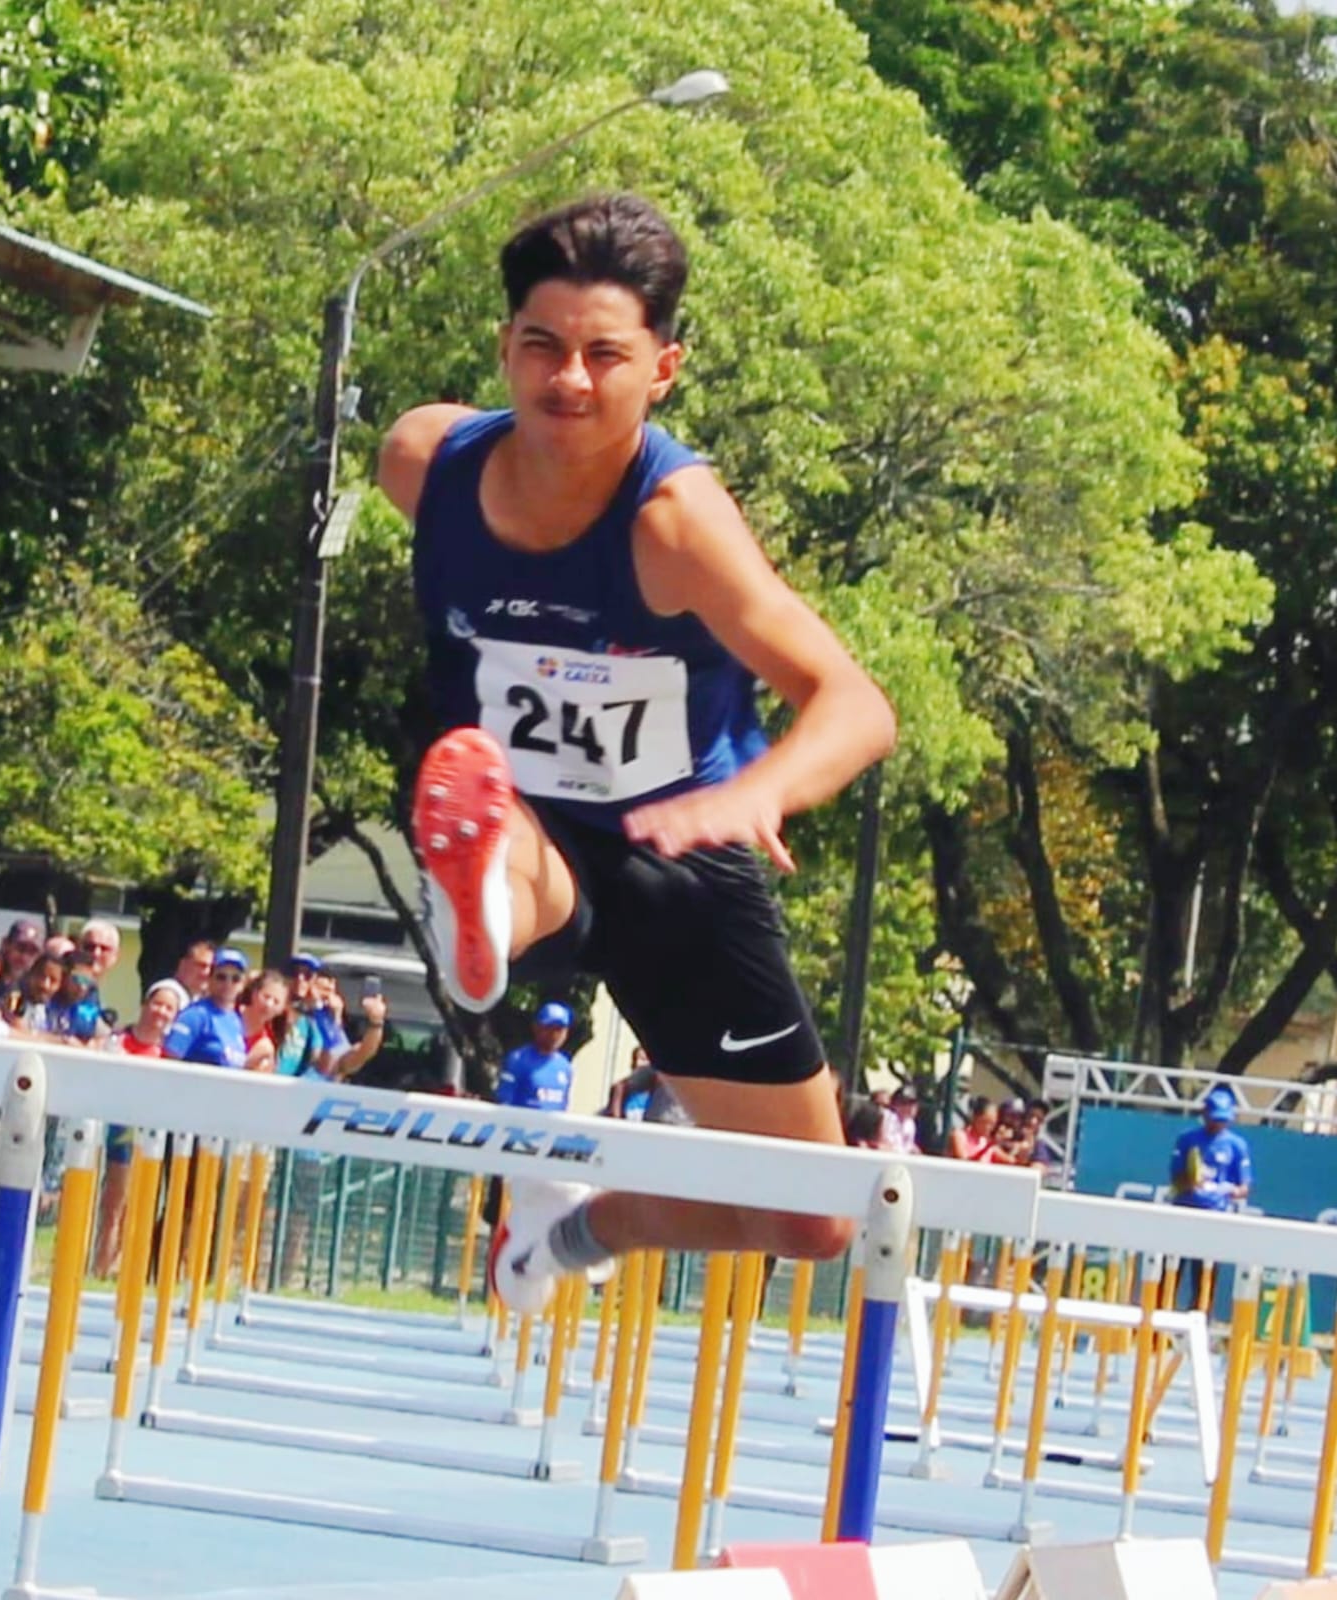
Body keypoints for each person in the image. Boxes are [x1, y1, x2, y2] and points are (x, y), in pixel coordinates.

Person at [379, 192, 897, 1312]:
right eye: (542, 348)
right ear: (505, 349)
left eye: (604, 355)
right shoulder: (425, 464)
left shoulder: (676, 528)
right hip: (513, 803)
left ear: (661, 367)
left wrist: (755, 793)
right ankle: (484, 908)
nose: (568, 380)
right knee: (497, 811)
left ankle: (581, 1225)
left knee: (813, 1216)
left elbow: (855, 704)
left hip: (675, 848)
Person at [93, 978, 183, 1277]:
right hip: (114, 1127)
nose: (161, 1011)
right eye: (157, 1003)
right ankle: (99, 1266)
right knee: (112, 1203)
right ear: (145, 1004)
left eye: (169, 1008)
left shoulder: (169, 1053)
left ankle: (122, 1267)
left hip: (149, 1134)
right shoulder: (118, 1041)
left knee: (136, 1205)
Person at [162, 946, 249, 1068]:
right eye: (221, 977)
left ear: (243, 984)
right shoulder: (195, 1016)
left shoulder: (237, 1021)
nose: (228, 984)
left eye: (235, 979)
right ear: (209, 979)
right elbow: (168, 1062)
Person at [1169, 1085, 1252, 1212]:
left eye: (1223, 1119)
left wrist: (1230, 1190)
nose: (1218, 1124)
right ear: (1205, 1114)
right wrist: (1193, 1182)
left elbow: (1244, 1188)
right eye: (1215, 1118)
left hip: (1218, 1212)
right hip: (1185, 1208)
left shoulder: (1237, 1145)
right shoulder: (1187, 1139)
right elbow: (1176, 1178)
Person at [496, 1001, 575, 1112]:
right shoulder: (518, 1060)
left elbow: (565, 1107)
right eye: (549, 1028)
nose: (554, 1035)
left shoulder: (565, 1067)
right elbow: (504, 1103)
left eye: (560, 1029)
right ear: (536, 1027)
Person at [948, 1097, 1000, 1162]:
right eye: (985, 1122)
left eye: (992, 1124)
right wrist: (987, 1148)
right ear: (975, 1118)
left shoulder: (986, 1141)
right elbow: (964, 1163)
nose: (989, 1127)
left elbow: (1011, 1161)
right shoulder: (959, 1136)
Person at [884, 1084, 921, 1155]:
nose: (911, 1107)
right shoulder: (886, 1118)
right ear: (895, 1104)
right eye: (905, 1103)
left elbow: (907, 1147)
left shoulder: (910, 1124)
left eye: (913, 1103)